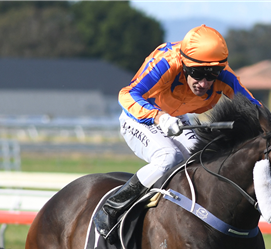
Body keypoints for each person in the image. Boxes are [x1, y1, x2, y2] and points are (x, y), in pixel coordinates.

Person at [93, 24, 261, 237]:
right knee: (168, 157)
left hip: (174, 116)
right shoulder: (167, 62)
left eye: (212, 76)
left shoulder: (225, 76)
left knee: (203, 158)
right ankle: (112, 208)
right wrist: (158, 116)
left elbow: (254, 108)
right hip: (139, 115)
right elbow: (126, 94)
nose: (204, 83)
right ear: (184, 65)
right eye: (197, 74)